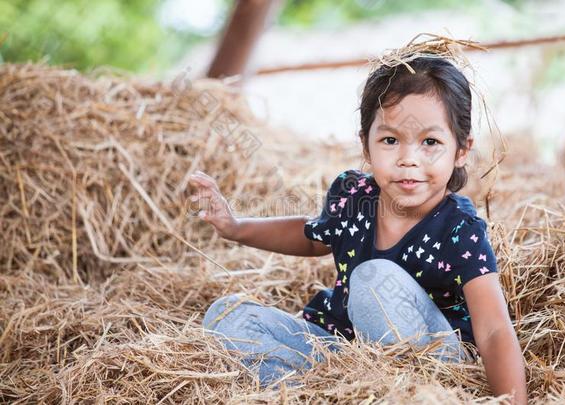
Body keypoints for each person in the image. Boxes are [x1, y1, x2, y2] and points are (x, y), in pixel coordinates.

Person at [190, 39, 527, 403]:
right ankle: (325, 393)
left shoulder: (459, 229)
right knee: (229, 316)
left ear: (461, 151)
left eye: (430, 142)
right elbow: (310, 236)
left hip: (427, 366)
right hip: (346, 356)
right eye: (390, 140)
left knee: (373, 277)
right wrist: (236, 227)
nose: (408, 158)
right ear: (366, 146)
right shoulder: (354, 196)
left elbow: (493, 330)